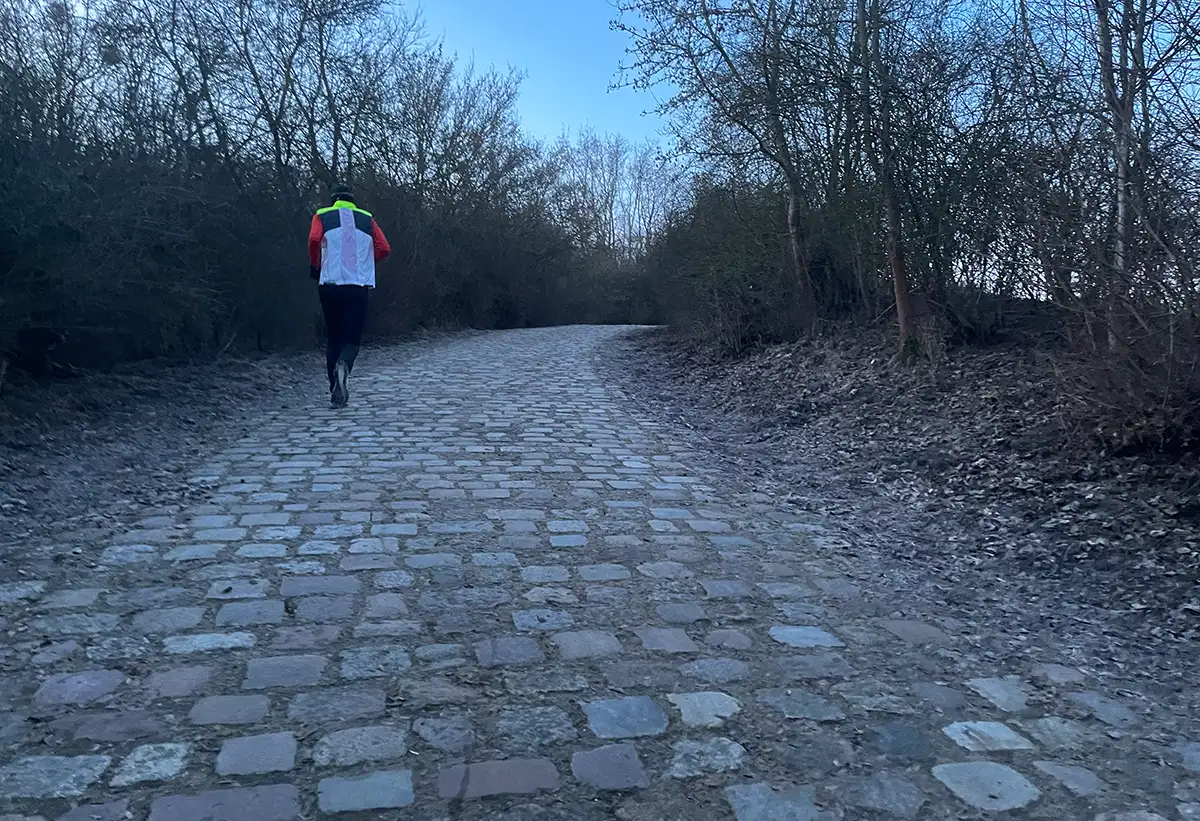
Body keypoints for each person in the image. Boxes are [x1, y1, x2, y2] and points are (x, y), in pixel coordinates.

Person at [308, 182, 390, 407]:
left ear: (334, 199)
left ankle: (333, 387)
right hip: (357, 285)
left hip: (329, 284)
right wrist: (364, 264)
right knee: (352, 338)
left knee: (334, 337)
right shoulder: (367, 219)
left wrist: (317, 265)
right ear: (353, 200)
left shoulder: (322, 215)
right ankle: (344, 365)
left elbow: (314, 240)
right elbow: (384, 247)